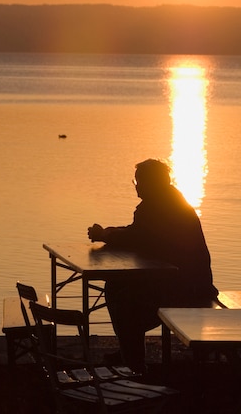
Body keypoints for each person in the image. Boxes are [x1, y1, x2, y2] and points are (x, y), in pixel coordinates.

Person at [87, 158, 217, 371]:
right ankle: (129, 352)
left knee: (126, 304)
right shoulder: (165, 202)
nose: (136, 186)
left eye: (139, 182)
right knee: (116, 288)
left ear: (151, 183)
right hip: (180, 281)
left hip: (187, 288)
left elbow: (137, 237)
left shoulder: (161, 206)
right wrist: (108, 232)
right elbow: (137, 232)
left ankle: (135, 363)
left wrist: (106, 234)